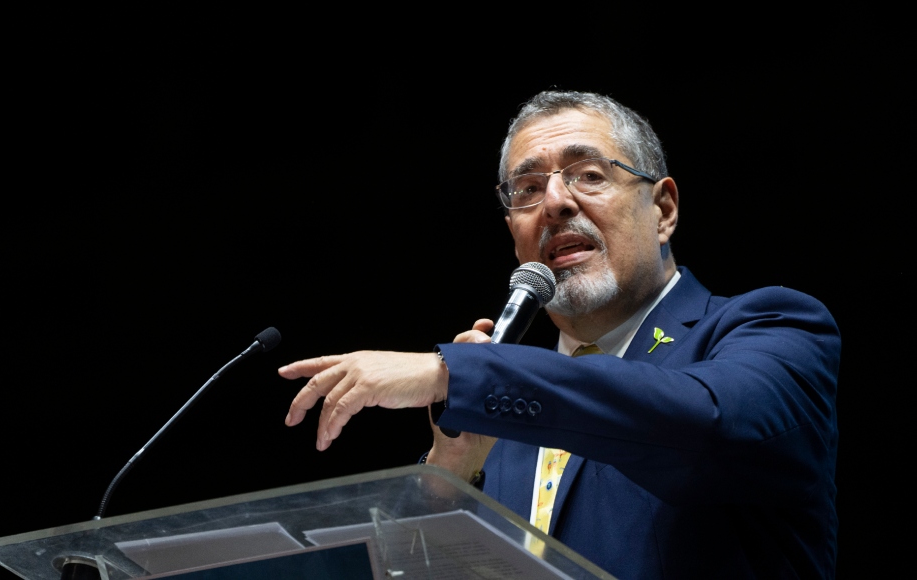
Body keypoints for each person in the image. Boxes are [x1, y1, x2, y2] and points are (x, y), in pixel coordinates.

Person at [279, 90, 840, 579]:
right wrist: (451, 474)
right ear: (514, 235)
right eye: (527, 188)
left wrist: (453, 372)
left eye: (589, 176)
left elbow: (705, 425)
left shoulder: (776, 327)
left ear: (663, 209)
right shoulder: (505, 413)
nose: (554, 203)